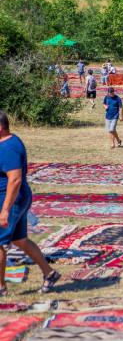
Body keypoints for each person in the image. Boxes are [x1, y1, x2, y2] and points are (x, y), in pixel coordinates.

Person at [0, 111, 60, 295]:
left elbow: (15, 179)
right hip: (16, 198)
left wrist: (5, 210)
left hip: (10, 200)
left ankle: (1, 288)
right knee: (20, 240)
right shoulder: (8, 142)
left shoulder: (8, 147)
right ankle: (49, 273)